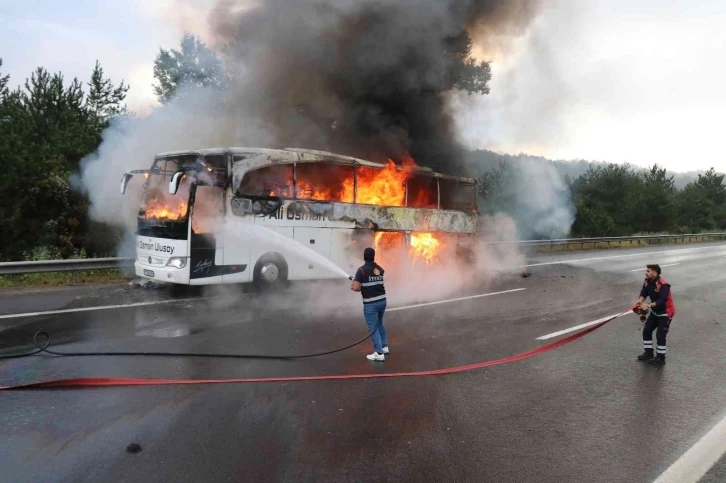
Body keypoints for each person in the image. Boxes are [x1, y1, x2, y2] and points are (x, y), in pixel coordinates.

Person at [351, 247, 389, 361]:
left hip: (371, 304)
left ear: (364, 256)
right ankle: (384, 346)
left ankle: (379, 353)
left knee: (373, 327)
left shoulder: (361, 270)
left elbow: (356, 287)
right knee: (380, 324)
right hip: (382, 301)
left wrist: (354, 286)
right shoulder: (380, 269)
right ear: (373, 256)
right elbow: (373, 282)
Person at [635, 264, 676, 365]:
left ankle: (661, 358)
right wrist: (640, 300)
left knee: (660, 336)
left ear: (654, 273)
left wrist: (648, 305)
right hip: (655, 312)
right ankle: (649, 354)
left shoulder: (663, 285)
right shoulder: (647, 281)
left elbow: (662, 300)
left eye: (648, 271)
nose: (646, 272)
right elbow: (644, 293)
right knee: (647, 331)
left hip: (665, 314)